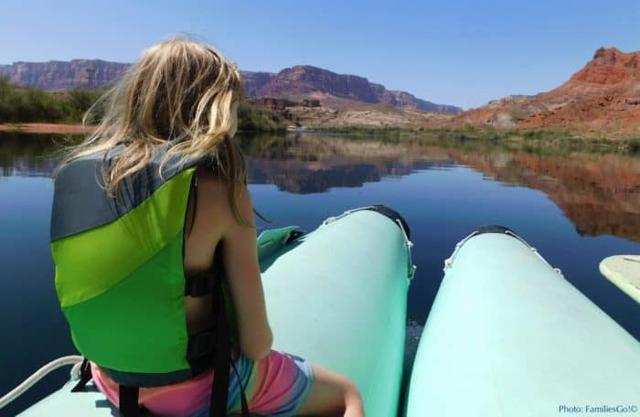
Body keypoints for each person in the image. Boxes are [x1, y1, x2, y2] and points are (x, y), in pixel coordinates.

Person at [50, 38, 364, 417]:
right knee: (348, 395)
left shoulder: (71, 176)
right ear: (217, 106)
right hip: (197, 388)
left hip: (111, 380)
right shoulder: (217, 189)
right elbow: (257, 344)